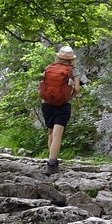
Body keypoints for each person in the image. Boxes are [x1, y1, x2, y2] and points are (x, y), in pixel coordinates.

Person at [39, 46, 82, 175]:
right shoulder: (74, 71)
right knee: (58, 134)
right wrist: (70, 96)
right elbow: (78, 89)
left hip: (47, 104)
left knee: (51, 132)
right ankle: (52, 163)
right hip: (63, 105)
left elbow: (42, 85)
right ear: (72, 59)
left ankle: (51, 159)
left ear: (58, 57)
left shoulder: (49, 68)